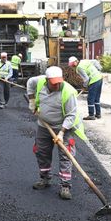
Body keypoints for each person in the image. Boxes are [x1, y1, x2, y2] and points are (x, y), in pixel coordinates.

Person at [27, 66, 87, 200]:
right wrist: (31, 101)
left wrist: (61, 132)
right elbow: (30, 82)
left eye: (59, 82)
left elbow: (71, 115)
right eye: (54, 83)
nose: (57, 85)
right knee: (41, 151)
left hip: (63, 127)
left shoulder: (68, 92)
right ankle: (45, 178)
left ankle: (65, 185)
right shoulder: (39, 81)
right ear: (47, 80)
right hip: (44, 125)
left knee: (66, 155)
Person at [68, 56, 103, 120]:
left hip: (94, 80)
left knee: (90, 98)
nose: (72, 66)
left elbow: (86, 79)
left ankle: (91, 115)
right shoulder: (84, 61)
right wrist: (99, 69)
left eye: (73, 64)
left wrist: (84, 86)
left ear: (76, 61)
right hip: (99, 78)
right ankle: (98, 114)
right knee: (96, 98)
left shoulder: (79, 68)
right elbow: (95, 62)